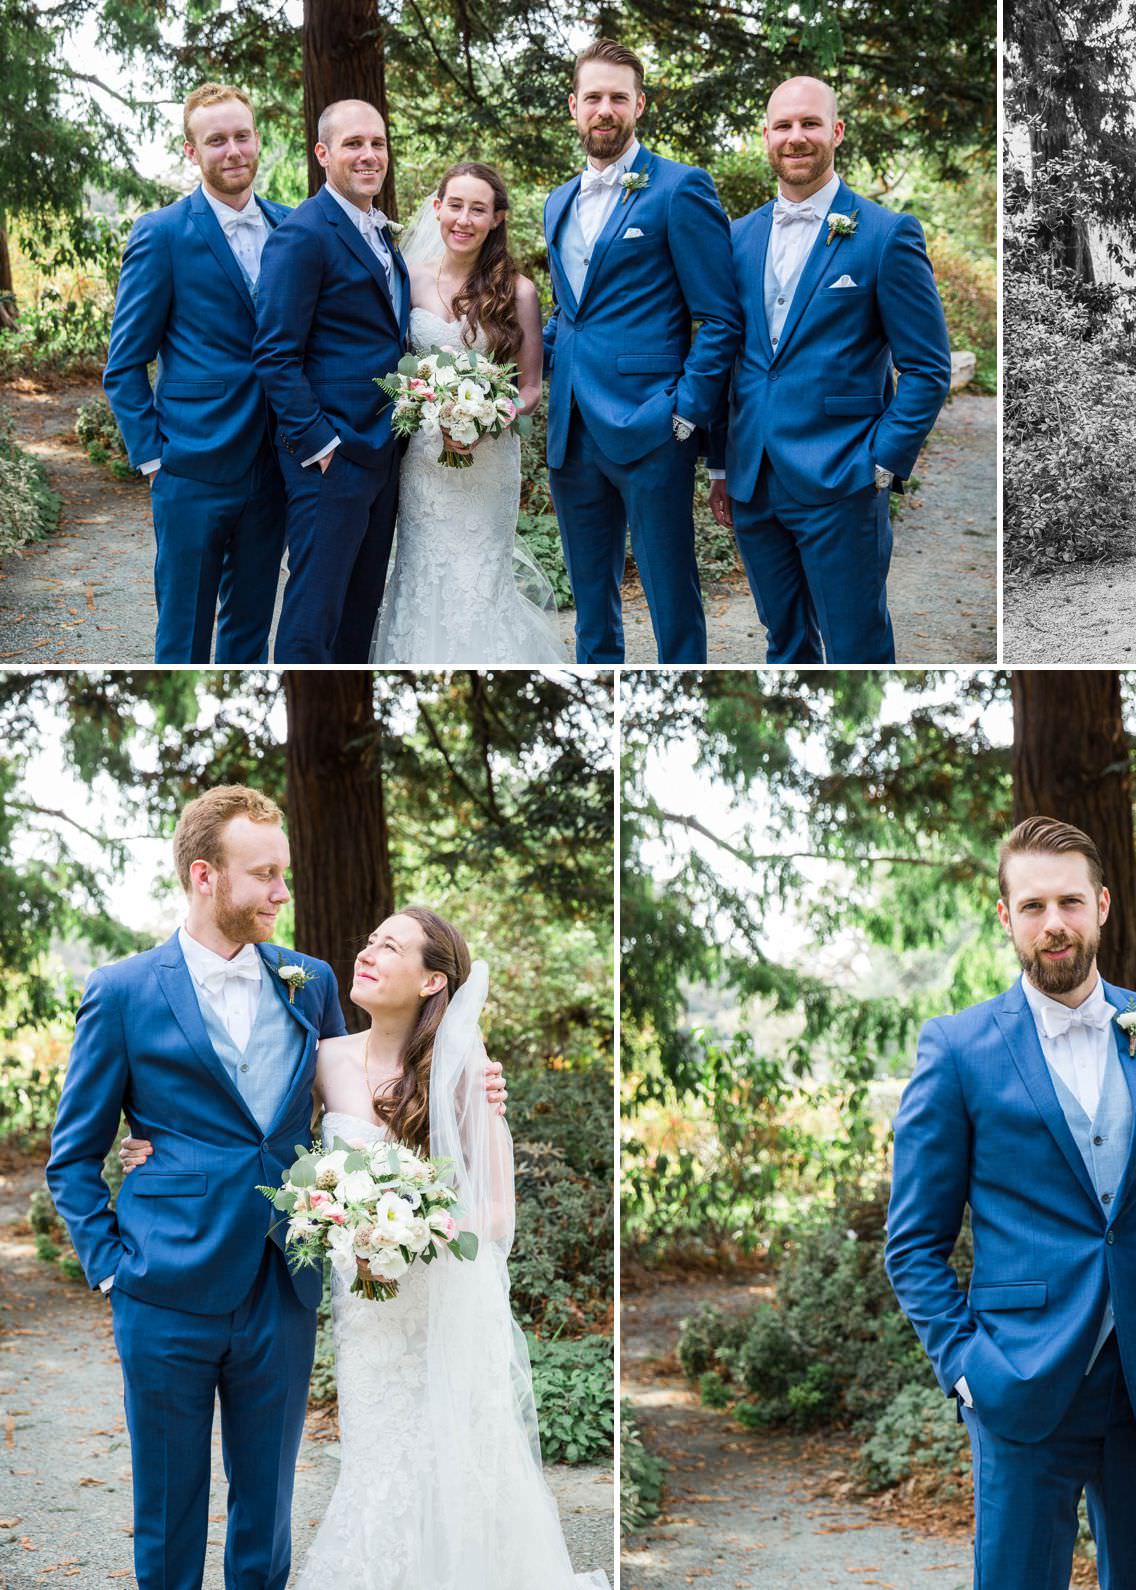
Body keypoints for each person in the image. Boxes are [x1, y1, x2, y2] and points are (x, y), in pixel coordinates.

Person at [42, 786, 503, 1590]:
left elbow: (367, 1092)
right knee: (167, 1508)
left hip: (281, 1286)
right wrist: (112, 1265)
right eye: (264, 876)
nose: (283, 894)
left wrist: (470, 1084)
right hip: (160, 1287)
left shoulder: (311, 981)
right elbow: (73, 1155)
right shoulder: (121, 991)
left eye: (284, 874)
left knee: (267, 1510)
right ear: (204, 877)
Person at [120, 907, 602, 1588]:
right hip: (364, 1316)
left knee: (450, 1466)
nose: (367, 953)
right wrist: (149, 1148)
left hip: (433, 1305)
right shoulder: (324, 1060)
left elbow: (494, 1213)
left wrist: (406, 1228)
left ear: (433, 981)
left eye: (392, 946)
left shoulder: (466, 1067)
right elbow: (244, 1129)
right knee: (376, 1463)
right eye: (370, 939)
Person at [885, 817, 1136, 1589]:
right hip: (1019, 1382)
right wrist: (968, 1369)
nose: (1052, 924)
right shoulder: (958, 1049)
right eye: (1032, 906)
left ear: (1102, 905)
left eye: (1068, 902)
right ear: (1006, 919)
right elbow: (913, 1243)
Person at [706, 76, 954, 663]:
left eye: (810, 123)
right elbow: (726, 356)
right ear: (765, 137)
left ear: (836, 132)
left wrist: (882, 462)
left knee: (857, 649)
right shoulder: (734, 238)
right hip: (753, 480)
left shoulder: (886, 235)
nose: (797, 137)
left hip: (844, 478)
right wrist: (720, 463)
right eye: (784, 126)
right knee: (784, 647)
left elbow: (927, 367)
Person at [542, 39, 743, 664]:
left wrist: (685, 410)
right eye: (593, 97)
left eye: (618, 98)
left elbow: (718, 315)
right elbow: (568, 314)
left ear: (639, 106)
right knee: (590, 606)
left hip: (652, 426)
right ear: (574, 106)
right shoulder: (557, 201)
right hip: (571, 430)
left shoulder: (680, 189)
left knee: (671, 599)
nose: (605, 109)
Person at [103, 83, 290, 663]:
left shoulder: (292, 228)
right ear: (191, 151)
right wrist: (154, 459)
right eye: (216, 141)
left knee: (250, 638)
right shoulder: (160, 234)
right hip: (190, 469)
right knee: (182, 639)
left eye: (242, 136)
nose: (232, 151)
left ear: (257, 140)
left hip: (274, 465)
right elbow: (124, 364)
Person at [372, 160, 564, 663]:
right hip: (424, 464)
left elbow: (528, 389)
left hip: (489, 463)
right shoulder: (405, 279)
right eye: (455, 205)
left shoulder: (517, 291)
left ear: (497, 218)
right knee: (423, 571)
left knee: (478, 580)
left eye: (478, 209)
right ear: (437, 209)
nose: (464, 218)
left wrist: (485, 420)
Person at [253, 98, 413, 664]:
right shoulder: (303, 234)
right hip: (333, 460)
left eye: (377, 143)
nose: (369, 155)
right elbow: (274, 354)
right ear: (323, 154)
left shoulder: (379, 232)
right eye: (353, 144)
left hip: (384, 451)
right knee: (311, 622)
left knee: (357, 619)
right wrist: (321, 446)